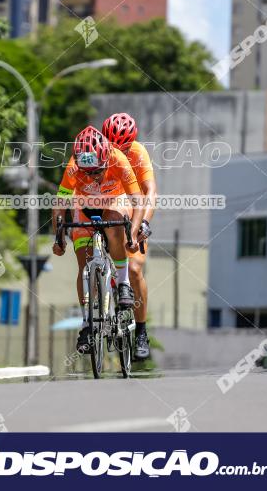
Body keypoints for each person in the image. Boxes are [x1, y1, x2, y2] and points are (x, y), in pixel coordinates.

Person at [52, 126, 143, 354]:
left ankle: (123, 283)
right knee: (84, 264)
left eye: (98, 171)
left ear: (106, 157)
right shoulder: (74, 168)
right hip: (85, 206)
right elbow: (60, 202)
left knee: (115, 226)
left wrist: (132, 234)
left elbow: (138, 200)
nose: (94, 176)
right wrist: (59, 236)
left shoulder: (119, 159)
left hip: (115, 202)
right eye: (88, 172)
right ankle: (86, 324)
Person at [101, 113, 156, 360]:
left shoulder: (138, 152)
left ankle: (141, 332)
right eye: (112, 146)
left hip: (133, 208)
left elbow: (150, 191)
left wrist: (144, 222)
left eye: (121, 146)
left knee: (134, 270)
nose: (117, 152)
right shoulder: (99, 150)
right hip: (106, 203)